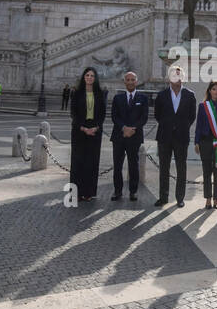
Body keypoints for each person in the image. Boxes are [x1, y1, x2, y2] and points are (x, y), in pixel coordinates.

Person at [153, 65, 196, 208]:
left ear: (182, 77)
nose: (175, 77)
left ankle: (180, 198)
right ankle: (163, 197)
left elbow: (191, 116)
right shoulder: (162, 95)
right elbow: (157, 115)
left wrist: (181, 127)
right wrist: (169, 125)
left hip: (181, 137)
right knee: (164, 168)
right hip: (164, 136)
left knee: (181, 168)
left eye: (178, 75)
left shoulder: (190, 95)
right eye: (173, 75)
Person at [68, 67, 105, 202]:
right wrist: (83, 128)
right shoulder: (76, 93)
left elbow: (102, 114)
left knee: (92, 162)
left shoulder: (100, 94)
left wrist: (96, 127)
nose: (89, 77)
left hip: (95, 130)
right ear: (84, 77)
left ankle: (89, 192)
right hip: (79, 130)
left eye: (92, 76)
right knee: (78, 161)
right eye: (87, 75)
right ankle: (76, 193)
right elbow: (73, 113)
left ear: (95, 79)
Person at [110, 70, 148, 202]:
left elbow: (144, 118)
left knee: (133, 165)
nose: (131, 82)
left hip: (135, 136)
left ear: (136, 82)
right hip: (119, 136)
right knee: (117, 166)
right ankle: (117, 191)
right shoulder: (117, 98)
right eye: (128, 80)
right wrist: (124, 128)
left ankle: (133, 191)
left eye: (133, 80)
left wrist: (133, 129)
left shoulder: (143, 98)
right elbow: (114, 116)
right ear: (124, 82)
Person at [194, 80, 217, 209]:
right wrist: (196, 142)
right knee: (206, 171)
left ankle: (216, 199)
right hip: (205, 142)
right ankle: (208, 199)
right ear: (209, 91)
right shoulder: (203, 106)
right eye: (213, 89)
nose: (215, 91)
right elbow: (198, 126)